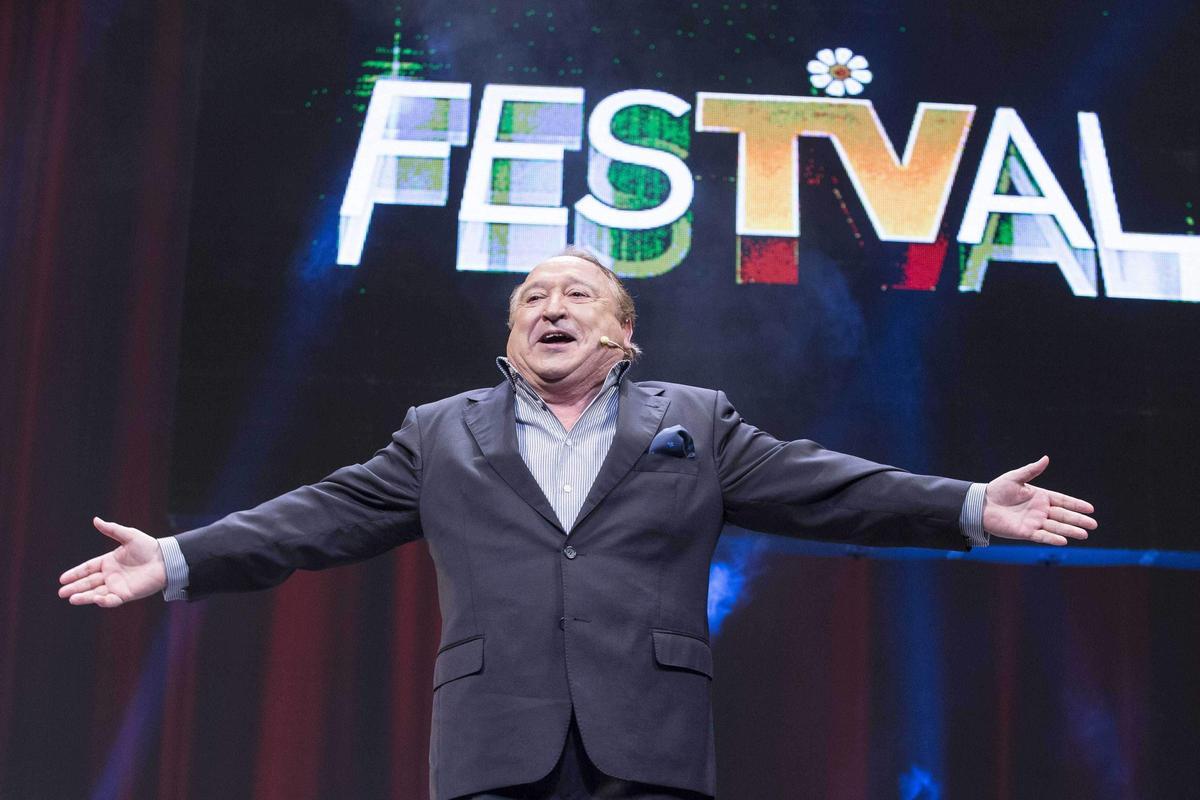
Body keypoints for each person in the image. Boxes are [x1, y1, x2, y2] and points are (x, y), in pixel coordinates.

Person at [59, 247, 1097, 800]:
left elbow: (831, 484)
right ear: (510, 335)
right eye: (530, 299)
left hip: (646, 743)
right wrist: (184, 556)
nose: (550, 307)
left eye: (577, 295)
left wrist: (966, 501)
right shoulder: (440, 431)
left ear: (623, 333)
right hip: (491, 741)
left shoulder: (693, 419)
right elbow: (319, 515)